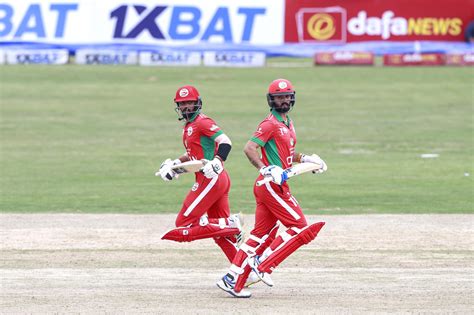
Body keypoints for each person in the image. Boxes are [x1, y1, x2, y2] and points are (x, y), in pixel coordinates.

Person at [216, 78, 327, 298]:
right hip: (270, 185)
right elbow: (249, 148)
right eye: (279, 97)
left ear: (292, 98)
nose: (284, 100)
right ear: (271, 100)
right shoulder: (269, 124)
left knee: (258, 234)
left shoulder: (288, 123)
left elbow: (287, 153)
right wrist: (265, 168)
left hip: (276, 184)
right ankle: (262, 260)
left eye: (287, 96)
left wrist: (307, 160)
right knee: (299, 227)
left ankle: (231, 277)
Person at [158, 85, 243, 263]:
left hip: (211, 179)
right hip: (216, 180)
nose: (187, 107)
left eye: (190, 102)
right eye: (182, 104)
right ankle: (244, 271)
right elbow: (194, 154)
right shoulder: (189, 126)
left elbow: (225, 142)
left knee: (183, 223)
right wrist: (175, 165)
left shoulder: (202, 122)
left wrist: (218, 161)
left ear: (198, 102)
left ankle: (230, 224)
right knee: (221, 236)